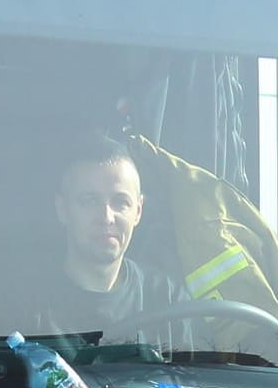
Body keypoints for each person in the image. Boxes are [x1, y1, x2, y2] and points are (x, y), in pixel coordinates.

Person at [27, 133, 192, 357]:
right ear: (62, 209)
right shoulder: (25, 309)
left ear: (138, 211)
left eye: (120, 202)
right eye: (90, 201)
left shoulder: (170, 301)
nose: (106, 217)